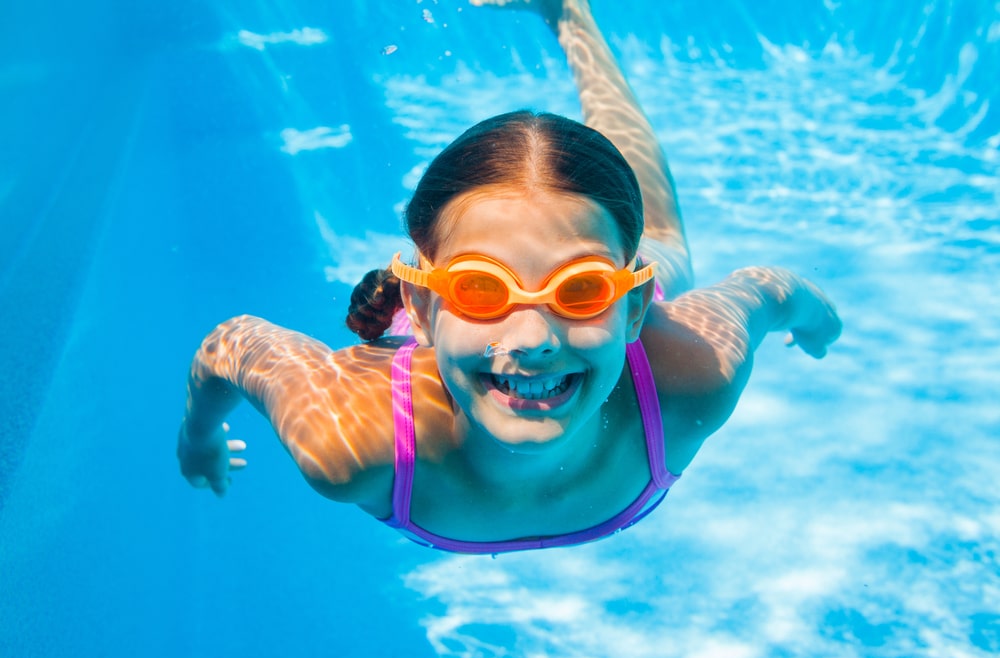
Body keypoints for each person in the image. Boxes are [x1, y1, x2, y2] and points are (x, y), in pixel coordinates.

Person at [177, 0, 841, 554]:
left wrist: (821, 324)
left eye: (577, 287)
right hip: (465, 334)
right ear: (425, 304)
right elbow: (235, 342)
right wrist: (196, 438)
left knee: (659, 234)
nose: (531, 337)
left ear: (635, 307)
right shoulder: (353, 440)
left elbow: (768, 289)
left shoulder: (690, 376)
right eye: (481, 289)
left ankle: (569, 12)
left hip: (590, 317)